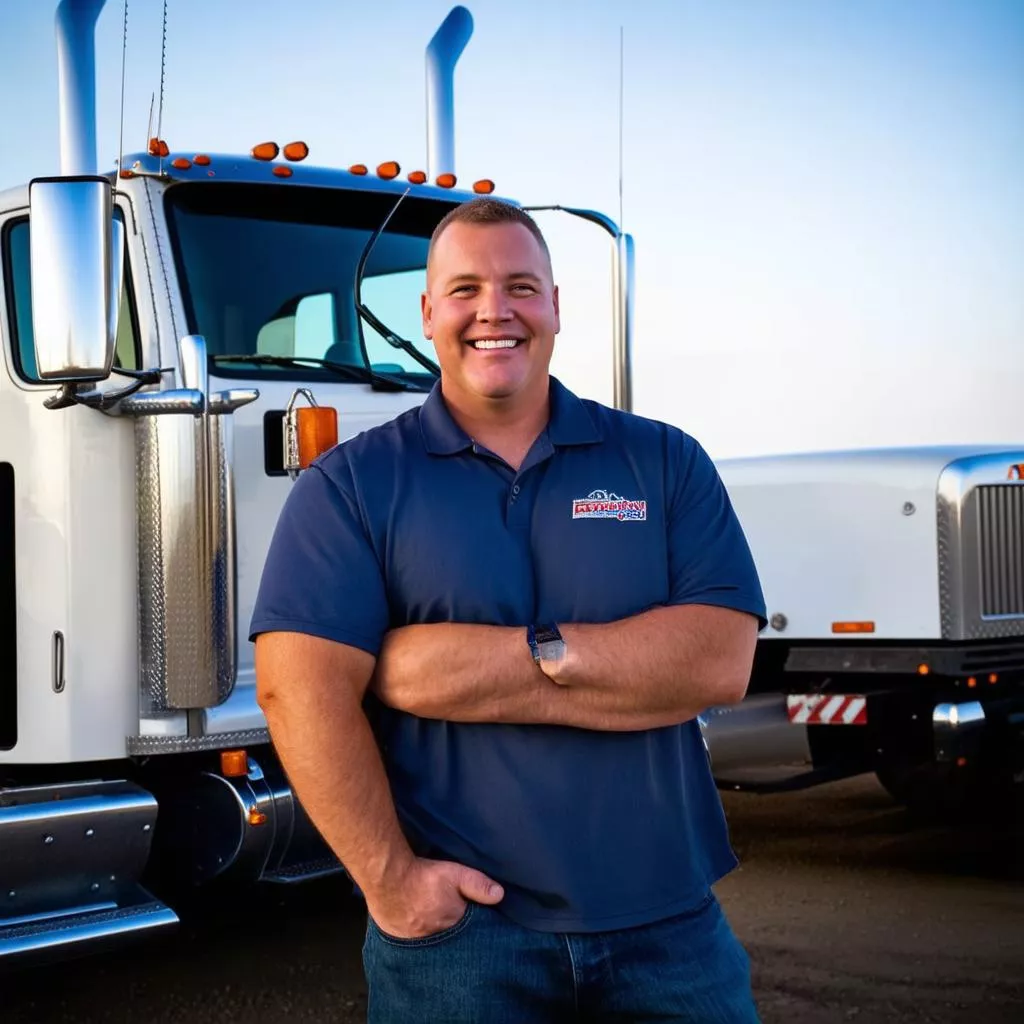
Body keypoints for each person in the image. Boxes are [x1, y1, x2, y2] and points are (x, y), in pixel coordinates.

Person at [250, 197, 767, 1023]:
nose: (495, 310)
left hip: (670, 928)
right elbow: (298, 692)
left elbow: (719, 663)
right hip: (462, 943)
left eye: (521, 287)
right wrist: (391, 883)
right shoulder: (350, 485)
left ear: (555, 305)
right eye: (466, 290)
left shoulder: (665, 460)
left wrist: (514, 658)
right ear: (427, 313)